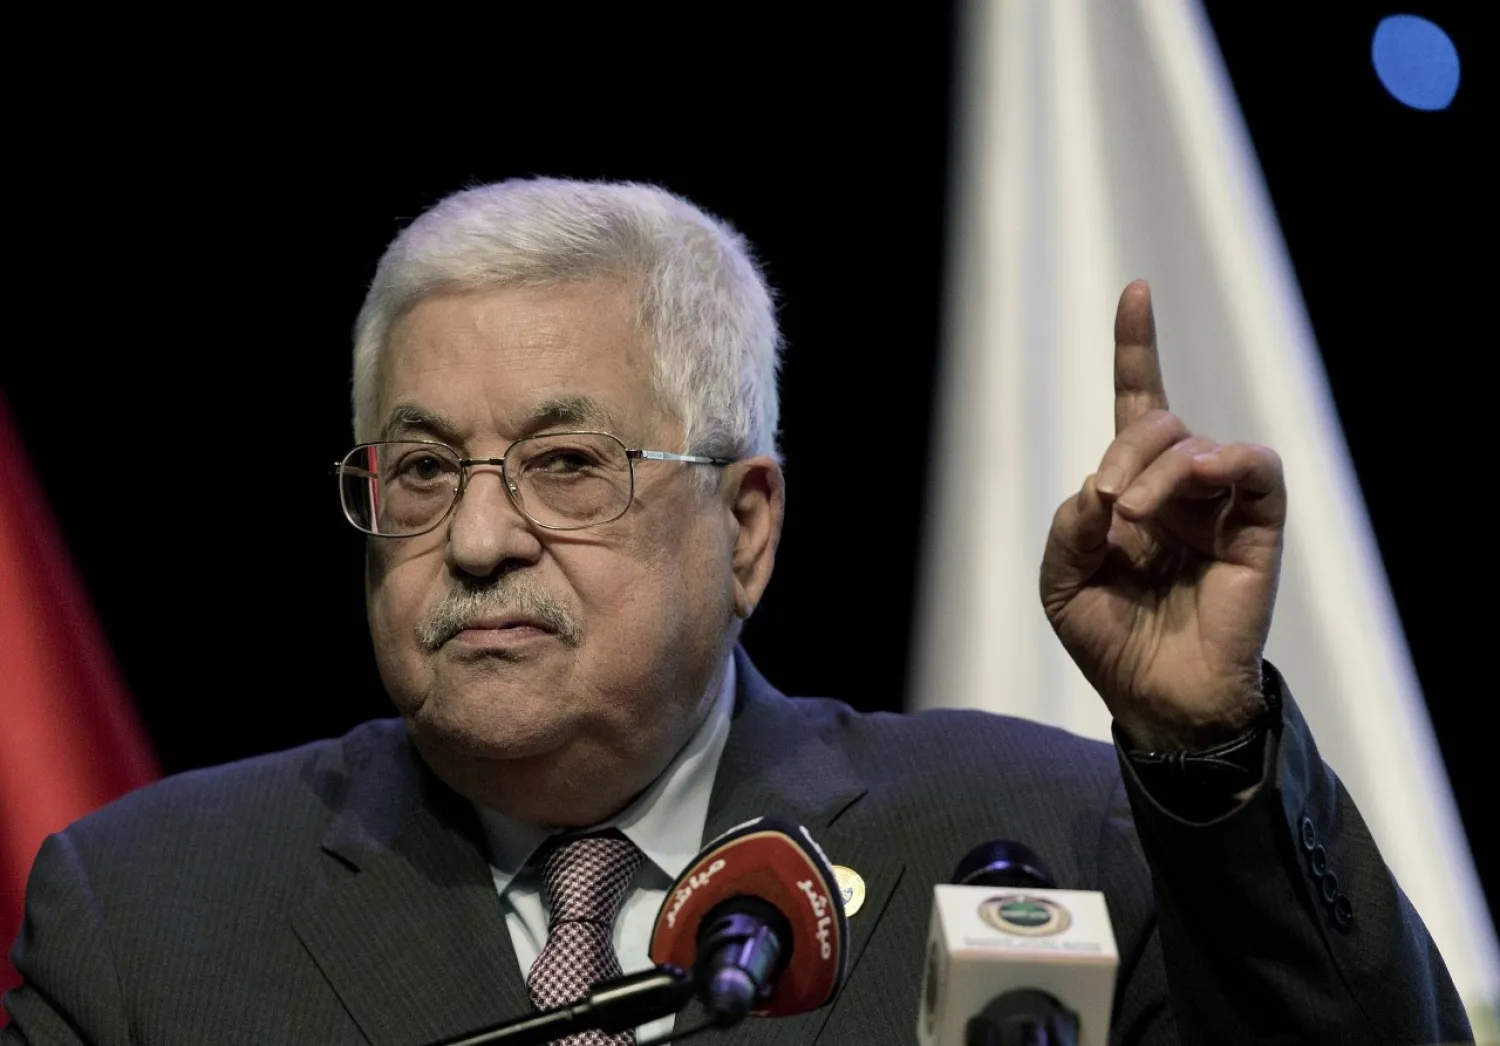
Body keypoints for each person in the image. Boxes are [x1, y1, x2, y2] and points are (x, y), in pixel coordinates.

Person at [2, 179, 1469, 1045]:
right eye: (424, 470)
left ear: (746, 525)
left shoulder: (1043, 837)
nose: (480, 539)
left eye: (568, 463)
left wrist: (1207, 752)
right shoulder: (150, 920)